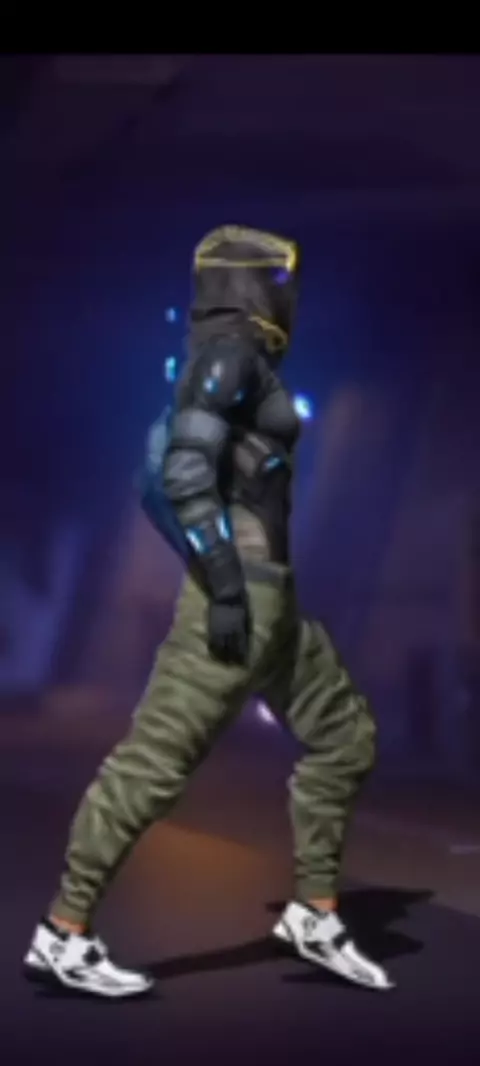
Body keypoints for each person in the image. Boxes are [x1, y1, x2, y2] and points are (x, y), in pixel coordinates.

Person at [24, 225, 393, 998]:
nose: (290, 295)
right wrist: (224, 585)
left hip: (272, 600)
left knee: (345, 737)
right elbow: (184, 472)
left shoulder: (242, 358)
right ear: (249, 283)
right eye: (280, 281)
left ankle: (314, 915)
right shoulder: (228, 356)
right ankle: (63, 933)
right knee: (152, 768)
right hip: (239, 596)